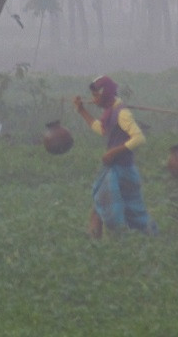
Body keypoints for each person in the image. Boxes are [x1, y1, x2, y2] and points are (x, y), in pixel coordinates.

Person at [73, 75, 157, 239]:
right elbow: (102, 129)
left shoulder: (122, 114)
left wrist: (113, 152)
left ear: (105, 94)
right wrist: (82, 110)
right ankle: (94, 243)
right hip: (115, 169)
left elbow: (139, 138)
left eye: (97, 95)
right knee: (100, 203)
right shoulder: (111, 112)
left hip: (122, 169)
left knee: (132, 211)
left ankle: (130, 239)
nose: (94, 99)